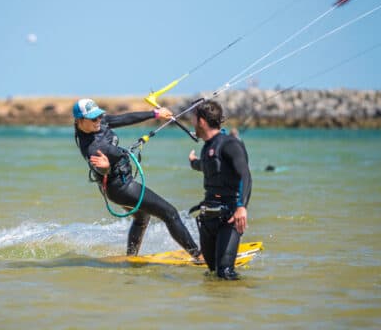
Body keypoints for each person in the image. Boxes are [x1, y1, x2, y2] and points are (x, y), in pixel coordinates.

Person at [73, 98, 202, 260]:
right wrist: (105, 168)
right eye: (93, 119)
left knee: (142, 218)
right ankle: (198, 255)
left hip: (120, 183)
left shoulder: (98, 123)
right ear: (79, 121)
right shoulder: (92, 147)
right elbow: (100, 168)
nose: (98, 121)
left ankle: (131, 257)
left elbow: (124, 118)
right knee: (170, 213)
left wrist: (155, 114)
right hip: (120, 188)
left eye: (99, 116)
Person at [188, 100, 252, 280]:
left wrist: (242, 207)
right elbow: (209, 166)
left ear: (201, 121)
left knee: (225, 273)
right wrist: (193, 162)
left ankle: (243, 301)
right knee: (212, 273)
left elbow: (245, 175)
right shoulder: (207, 147)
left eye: (193, 120)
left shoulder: (230, 144)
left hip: (229, 217)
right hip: (208, 218)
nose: (192, 124)